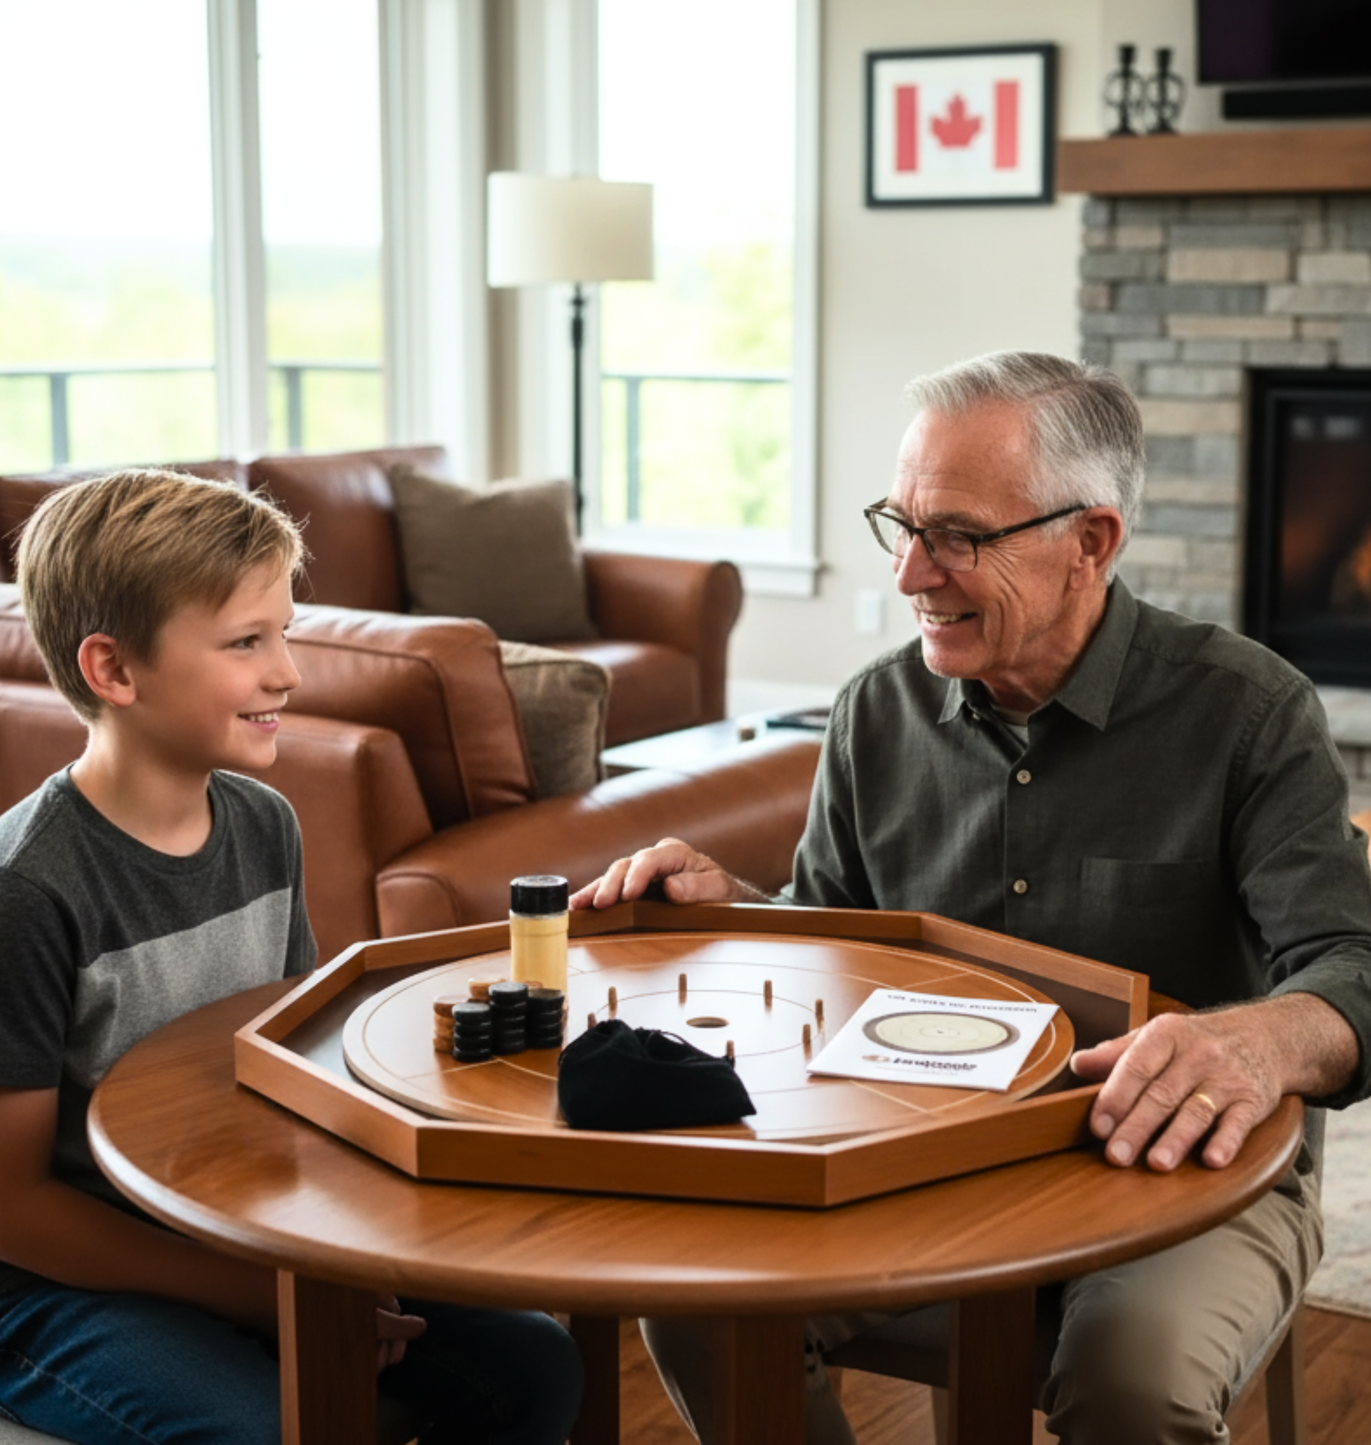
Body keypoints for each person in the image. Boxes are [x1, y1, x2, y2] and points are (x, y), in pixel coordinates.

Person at [571, 351, 1371, 1445]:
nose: (908, 573)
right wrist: (740, 908)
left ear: (1088, 542)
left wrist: (1254, 1044)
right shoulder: (872, 712)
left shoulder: (1245, 711)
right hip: (921, 1153)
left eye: (955, 534)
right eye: (898, 525)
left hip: (1170, 1170)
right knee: (695, 1304)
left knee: (1128, 1385)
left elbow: (1349, 964)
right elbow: (839, 938)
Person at [0, 470, 583, 1445]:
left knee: (534, 1359)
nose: (288, 671)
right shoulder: (19, 897)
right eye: (246, 641)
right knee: (269, 1426)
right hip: (32, 1293)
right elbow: (7, 1209)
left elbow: (284, 1061)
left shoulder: (261, 822)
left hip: (215, 1229)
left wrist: (354, 1244)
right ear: (113, 669)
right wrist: (261, 1294)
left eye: (284, 630)